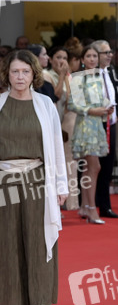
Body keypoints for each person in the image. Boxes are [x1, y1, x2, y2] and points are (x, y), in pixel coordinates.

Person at [0, 49, 68, 305]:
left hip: (37, 178)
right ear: (6, 74)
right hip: (4, 178)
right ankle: (15, 301)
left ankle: (42, 302)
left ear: (34, 74)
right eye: (15, 72)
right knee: (8, 241)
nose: (20, 77)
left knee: (39, 238)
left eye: (25, 71)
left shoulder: (45, 104)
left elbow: (56, 146)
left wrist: (61, 184)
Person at [66, 44, 113, 224]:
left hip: (96, 125)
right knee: (94, 167)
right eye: (89, 56)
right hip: (86, 127)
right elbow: (72, 104)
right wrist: (92, 111)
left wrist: (106, 109)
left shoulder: (97, 78)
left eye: (95, 56)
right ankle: (92, 209)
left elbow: (99, 102)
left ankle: (85, 206)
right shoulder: (78, 78)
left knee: (90, 167)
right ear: (82, 60)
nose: (92, 59)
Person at [48, 46, 80, 210]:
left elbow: (74, 100)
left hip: (66, 123)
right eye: (58, 57)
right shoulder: (47, 76)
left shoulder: (69, 76)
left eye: (65, 58)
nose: (62, 61)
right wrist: (61, 76)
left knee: (68, 161)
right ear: (50, 59)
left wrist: (67, 77)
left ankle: (69, 201)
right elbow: (56, 95)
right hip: (53, 124)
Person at [92, 40, 118, 218]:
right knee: (94, 166)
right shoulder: (89, 75)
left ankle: (105, 206)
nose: (110, 55)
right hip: (95, 123)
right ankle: (90, 204)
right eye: (105, 52)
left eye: (110, 52)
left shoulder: (111, 72)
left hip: (111, 123)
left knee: (108, 166)